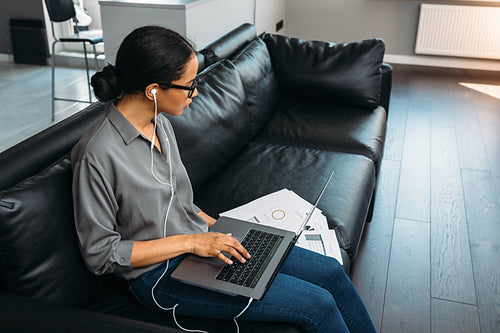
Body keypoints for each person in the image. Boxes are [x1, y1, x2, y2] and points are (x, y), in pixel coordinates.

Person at [71, 25, 376, 333]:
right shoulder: (96, 154)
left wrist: (223, 228)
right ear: (153, 90)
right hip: (159, 276)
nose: (195, 93)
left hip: (201, 244)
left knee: (331, 273)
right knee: (316, 305)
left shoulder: (159, 123)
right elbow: (101, 255)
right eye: (188, 86)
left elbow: (180, 203)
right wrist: (191, 241)